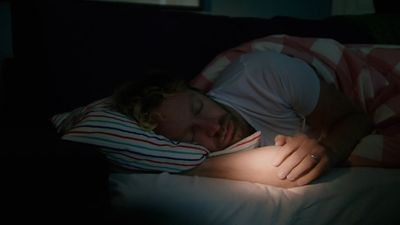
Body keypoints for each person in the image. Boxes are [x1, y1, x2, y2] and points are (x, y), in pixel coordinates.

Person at [112, 51, 375, 188]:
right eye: (191, 134)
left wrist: (329, 150)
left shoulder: (262, 74)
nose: (213, 128)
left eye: (199, 108)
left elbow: (356, 118)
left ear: (199, 91)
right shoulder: (201, 158)